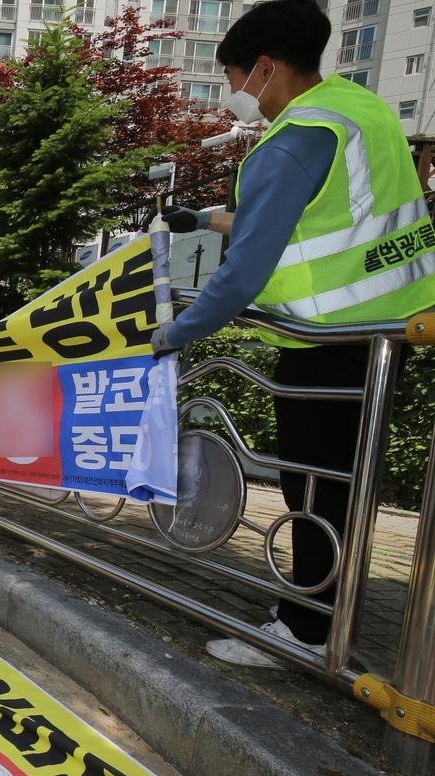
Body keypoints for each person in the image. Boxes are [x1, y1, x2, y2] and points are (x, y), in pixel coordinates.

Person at [153, 0, 435, 668]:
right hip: (387, 333)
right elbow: (312, 218)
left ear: (266, 68)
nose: (233, 96)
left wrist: (174, 333)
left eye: (232, 80)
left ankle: (306, 633)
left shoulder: (291, 140)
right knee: (345, 487)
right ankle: (324, 617)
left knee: (313, 488)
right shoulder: (360, 113)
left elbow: (243, 274)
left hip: (324, 344)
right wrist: (204, 219)